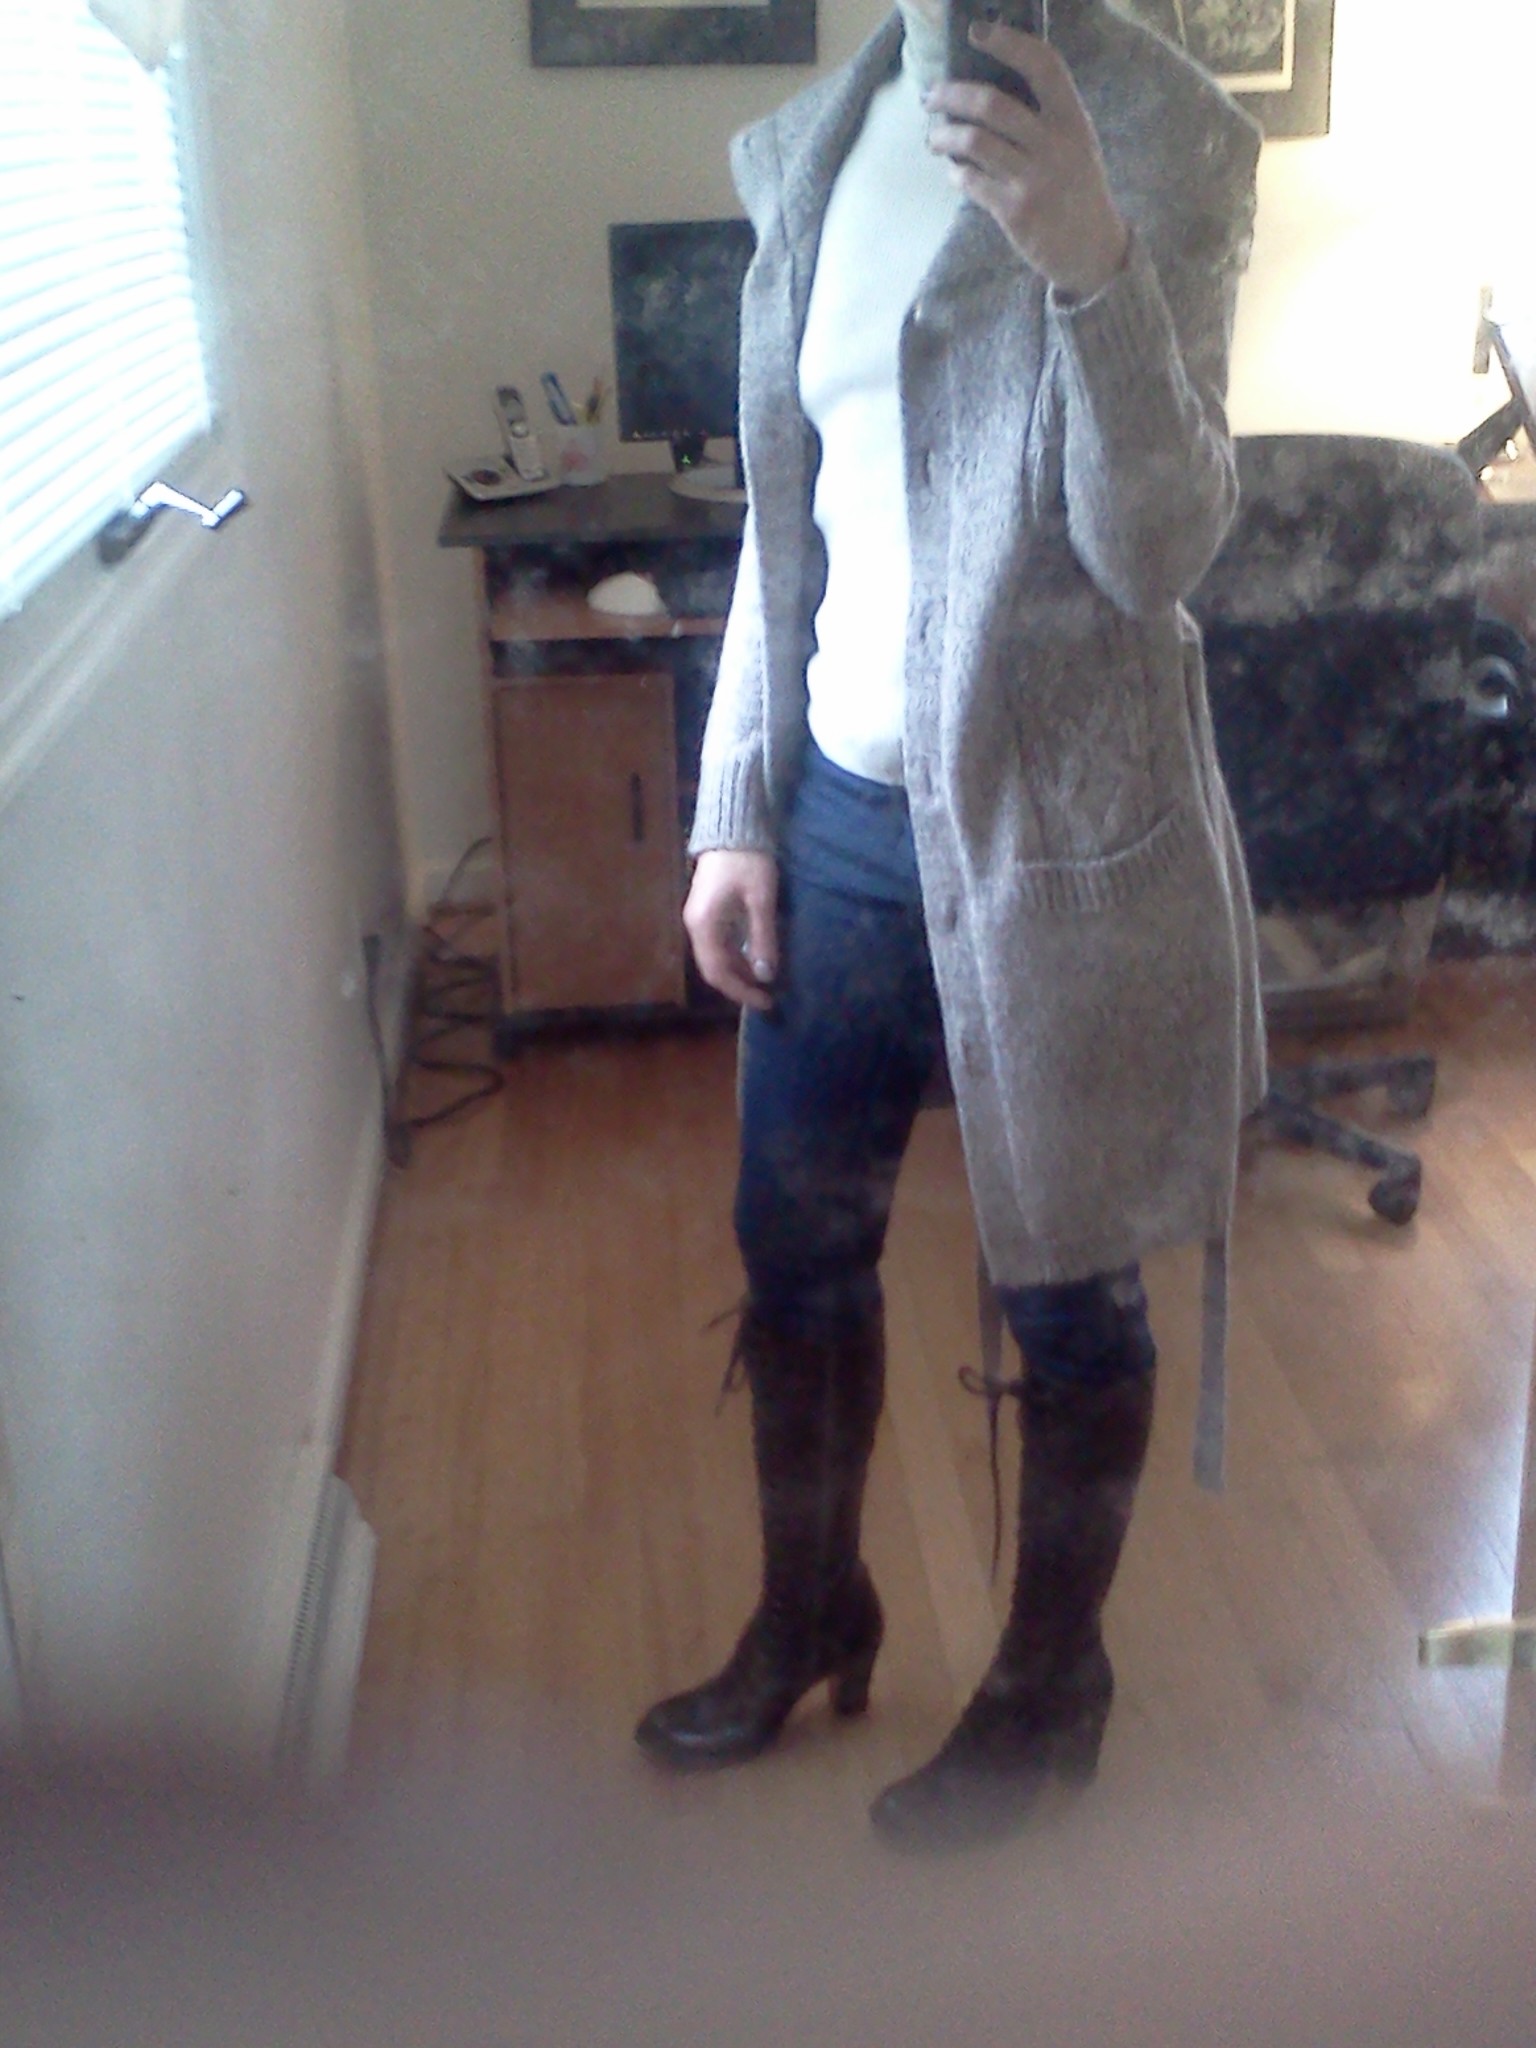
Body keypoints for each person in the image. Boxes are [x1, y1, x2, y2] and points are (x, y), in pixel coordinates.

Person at [634, 0, 1266, 1850]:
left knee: (1066, 1283)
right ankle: (812, 1608)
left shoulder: (1172, 136)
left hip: (1055, 834)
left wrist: (1092, 262)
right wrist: (733, 807)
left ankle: (1055, 1681)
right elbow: (790, 519)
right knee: (794, 1248)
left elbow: (1160, 546)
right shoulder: (820, 147)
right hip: (835, 816)